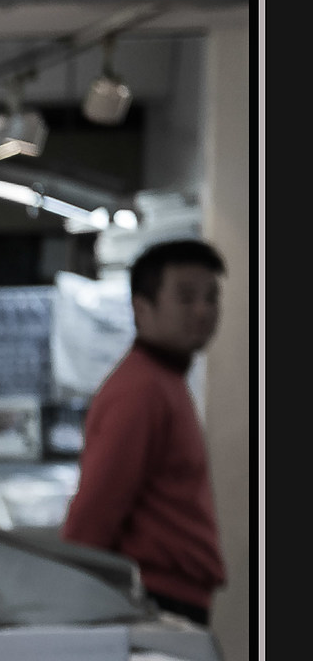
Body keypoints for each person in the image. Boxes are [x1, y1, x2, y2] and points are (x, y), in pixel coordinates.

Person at [61, 238, 227, 623]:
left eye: (211, 297)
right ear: (141, 307)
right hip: (152, 599)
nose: (203, 311)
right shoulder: (142, 389)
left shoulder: (165, 380)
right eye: (186, 298)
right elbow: (96, 511)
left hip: (171, 595)